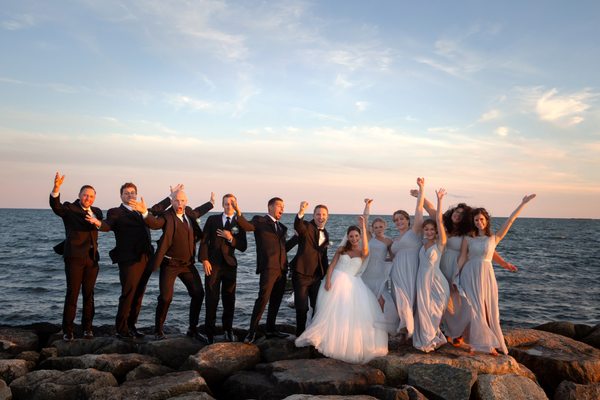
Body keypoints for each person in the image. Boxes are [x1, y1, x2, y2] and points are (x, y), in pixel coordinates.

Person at [413, 192, 516, 344]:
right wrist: (419, 195)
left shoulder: (468, 233)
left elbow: (488, 248)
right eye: (456, 212)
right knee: (443, 300)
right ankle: (447, 331)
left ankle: (461, 332)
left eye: (462, 214)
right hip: (440, 265)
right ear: (452, 212)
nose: (458, 215)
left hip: (459, 266)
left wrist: (503, 263)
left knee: (461, 301)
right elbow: (430, 209)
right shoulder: (444, 226)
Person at [295, 216, 388, 364]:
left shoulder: (363, 252)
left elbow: (365, 246)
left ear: (360, 236)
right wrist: (328, 280)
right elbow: (332, 265)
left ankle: (341, 342)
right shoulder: (341, 249)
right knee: (329, 312)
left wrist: (363, 226)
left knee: (347, 313)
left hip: (352, 284)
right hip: (336, 281)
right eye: (351, 236)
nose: (354, 238)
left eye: (356, 236)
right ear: (347, 237)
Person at [456, 194, 536, 355]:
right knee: (474, 308)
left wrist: (523, 203)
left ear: (486, 220)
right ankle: (478, 344)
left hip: (486, 274)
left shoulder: (493, 238)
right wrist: (454, 275)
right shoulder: (468, 238)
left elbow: (510, 221)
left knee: (488, 308)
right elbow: (463, 258)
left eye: (481, 219)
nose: (479, 222)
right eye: (476, 220)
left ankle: (488, 344)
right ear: (473, 222)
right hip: (469, 274)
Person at [102, 183, 176, 339]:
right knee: (128, 293)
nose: (130, 195)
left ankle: (132, 326)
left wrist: (172, 196)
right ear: (121, 195)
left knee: (139, 294)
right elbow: (107, 225)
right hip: (129, 260)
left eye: (133, 193)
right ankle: (121, 329)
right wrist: (98, 224)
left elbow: (158, 208)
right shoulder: (116, 212)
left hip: (146, 258)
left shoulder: (142, 209)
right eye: (127, 193)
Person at [142, 189, 214, 341]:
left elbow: (198, 212)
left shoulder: (188, 214)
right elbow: (154, 223)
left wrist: (211, 204)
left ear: (186, 202)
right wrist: (144, 213)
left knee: (198, 294)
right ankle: (158, 330)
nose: (179, 203)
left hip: (187, 264)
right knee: (166, 298)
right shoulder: (167, 216)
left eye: (182, 201)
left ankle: (192, 329)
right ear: (172, 202)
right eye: (176, 200)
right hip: (170, 264)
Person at [49, 172, 104, 341]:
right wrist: (56, 188)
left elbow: (100, 226)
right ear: (79, 196)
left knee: (89, 294)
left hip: (92, 258)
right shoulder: (69, 208)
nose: (88, 198)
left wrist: (96, 221)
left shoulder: (97, 212)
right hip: (74, 258)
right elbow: (56, 207)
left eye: (91, 196)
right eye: (85, 195)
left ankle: (88, 329)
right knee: (72, 294)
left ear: (94, 198)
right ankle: (68, 330)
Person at [234, 197, 297, 344]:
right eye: (279, 206)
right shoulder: (260, 221)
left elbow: (284, 249)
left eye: (283, 206)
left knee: (276, 300)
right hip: (268, 268)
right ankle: (252, 332)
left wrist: (296, 238)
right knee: (262, 300)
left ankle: (270, 329)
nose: (282, 209)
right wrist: (238, 210)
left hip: (282, 269)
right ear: (270, 207)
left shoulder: (282, 227)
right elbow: (246, 226)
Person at [199, 193, 248, 344]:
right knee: (211, 299)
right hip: (212, 266)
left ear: (236, 205)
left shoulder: (239, 223)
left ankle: (228, 330)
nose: (229, 206)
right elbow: (204, 241)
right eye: (226, 203)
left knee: (229, 299)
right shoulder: (212, 220)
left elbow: (243, 246)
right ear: (222, 204)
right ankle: (209, 332)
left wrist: (230, 238)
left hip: (230, 266)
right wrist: (204, 259)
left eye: (232, 203)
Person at [413, 186, 450, 352]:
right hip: (422, 280)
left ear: (436, 232)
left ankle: (432, 337)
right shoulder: (421, 243)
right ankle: (428, 338)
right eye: (426, 229)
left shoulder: (439, 244)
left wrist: (439, 200)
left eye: (431, 229)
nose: (428, 231)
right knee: (423, 309)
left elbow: (440, 221)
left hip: (437, 281)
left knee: (435, 310)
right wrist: (419, 196)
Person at [389, 177, 425, 341]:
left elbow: (419, 210)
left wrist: (421, 190)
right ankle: (405, 330)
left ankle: (411, 330)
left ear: (407, 220)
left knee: (412, 300)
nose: (399, 221)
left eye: (401, 218)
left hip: (413, 270)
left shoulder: (415, 231)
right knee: (400, 299)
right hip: (396, 272)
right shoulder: (395, 239)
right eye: (396, 220)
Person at [291, 201, 330, 336]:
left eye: (323, 214)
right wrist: (301, 211)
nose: (321, 217)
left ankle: (313, 333)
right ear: (313, 215)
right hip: (301, 274)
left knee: (317, 306)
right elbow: (298, 225)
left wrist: (327, 274)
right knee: (301, 308)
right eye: (318, 214)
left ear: (327, 216)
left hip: (317, 276)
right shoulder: (306, 227)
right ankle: (300, 334)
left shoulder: (326, 233)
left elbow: (323, 257)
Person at [360, 199, 398, 333]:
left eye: (380, 227)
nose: (378, 229)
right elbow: (364, 221)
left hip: (380, 273)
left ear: (385, 227)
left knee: (381, 300)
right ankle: (366, 327)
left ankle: (380, 328)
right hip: (367, 271)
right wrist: (367, 206)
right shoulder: (370, 237)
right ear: (373, 229)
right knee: (367, 299)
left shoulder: (389, 241)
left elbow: (393, 257)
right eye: (375, 227)